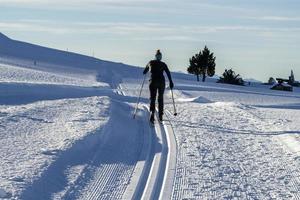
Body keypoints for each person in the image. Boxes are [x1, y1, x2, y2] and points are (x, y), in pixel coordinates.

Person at [143, 50, 174, 123]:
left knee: (152, 98)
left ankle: (152, 114)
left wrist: (147, 70)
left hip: (153, 81)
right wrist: (171, 82)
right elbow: (168, 73)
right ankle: (160, 115)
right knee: (160, 98)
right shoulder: (163, 64)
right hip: (161, 82)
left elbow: (144, 72)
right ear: (160, 57)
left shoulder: (150, 62)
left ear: (155, 56)